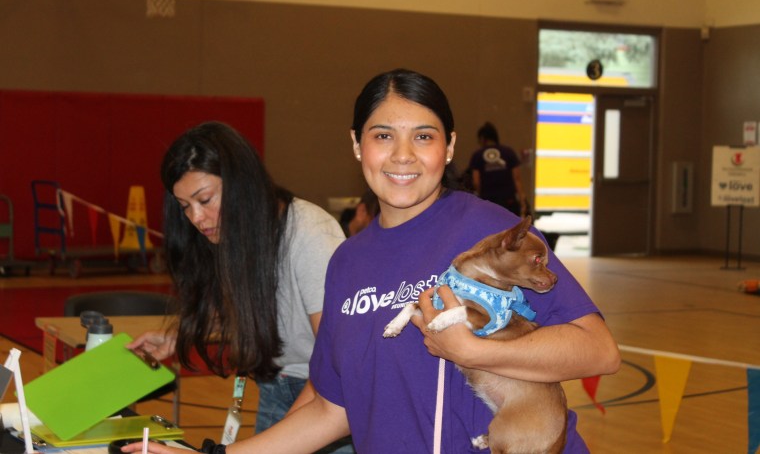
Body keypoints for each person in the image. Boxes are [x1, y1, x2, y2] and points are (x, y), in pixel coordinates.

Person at [124, 69, 620, 454]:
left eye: (423, 136)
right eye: (383, 136)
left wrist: (473, 351)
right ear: (357, 145)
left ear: (449, 147)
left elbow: (598, 351)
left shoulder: (490, 233)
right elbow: (328, 408)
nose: (402, 155)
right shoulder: (347, 262)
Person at [125, 121, 353, 452]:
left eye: (205, 199)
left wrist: (287, 433)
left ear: (241, 183)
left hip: (324, 395)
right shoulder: (232, 234)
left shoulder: (311, 234)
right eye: (185, 206)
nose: (197, 218)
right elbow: (264, 311)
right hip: (277, 385)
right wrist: (181, 335)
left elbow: (335, 359)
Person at [468, 121, 527, 217]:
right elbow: (517, 179)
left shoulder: (477, 155)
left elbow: (476, 182)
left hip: (488, 203)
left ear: (482, 138)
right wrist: (522, 201)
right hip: (509, 202)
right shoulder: (509, 152)